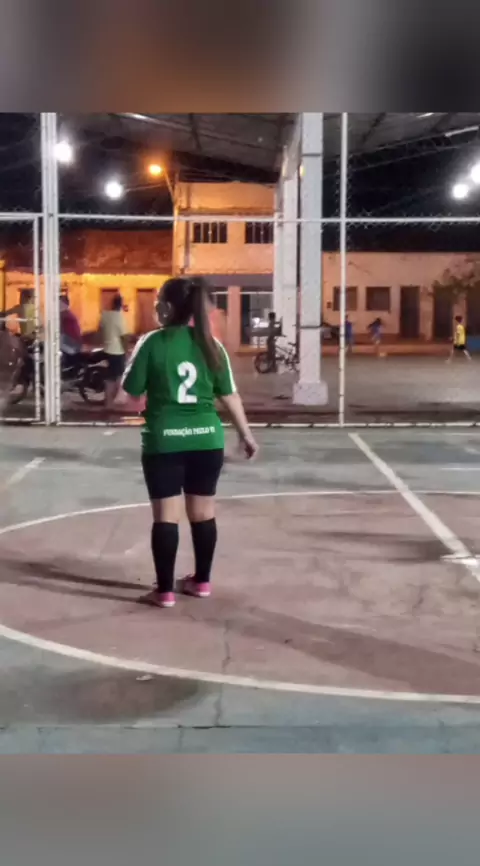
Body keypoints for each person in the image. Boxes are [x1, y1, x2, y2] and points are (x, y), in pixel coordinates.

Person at [122, 276, 259, 609]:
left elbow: (130, 392)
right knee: (203, 513)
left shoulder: (152, 342)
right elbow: (230, 395)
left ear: (167, 307)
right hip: (207, 439)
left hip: (164, 441)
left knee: (166, 516)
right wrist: (246, 434)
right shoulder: (212, 345)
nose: (156, 306)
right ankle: (202, 582)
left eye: (158, 300)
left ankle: (165, 592)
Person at [101, 293, 129, 410]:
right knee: (117, 377)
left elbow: (100, 331)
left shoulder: (105, 315)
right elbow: (124, 337)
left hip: (107, 349)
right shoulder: (119, 317)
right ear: (121, 304)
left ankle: (109, 401)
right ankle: (111, 403)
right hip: (117, 351)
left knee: (110, 378)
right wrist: (127, 351)